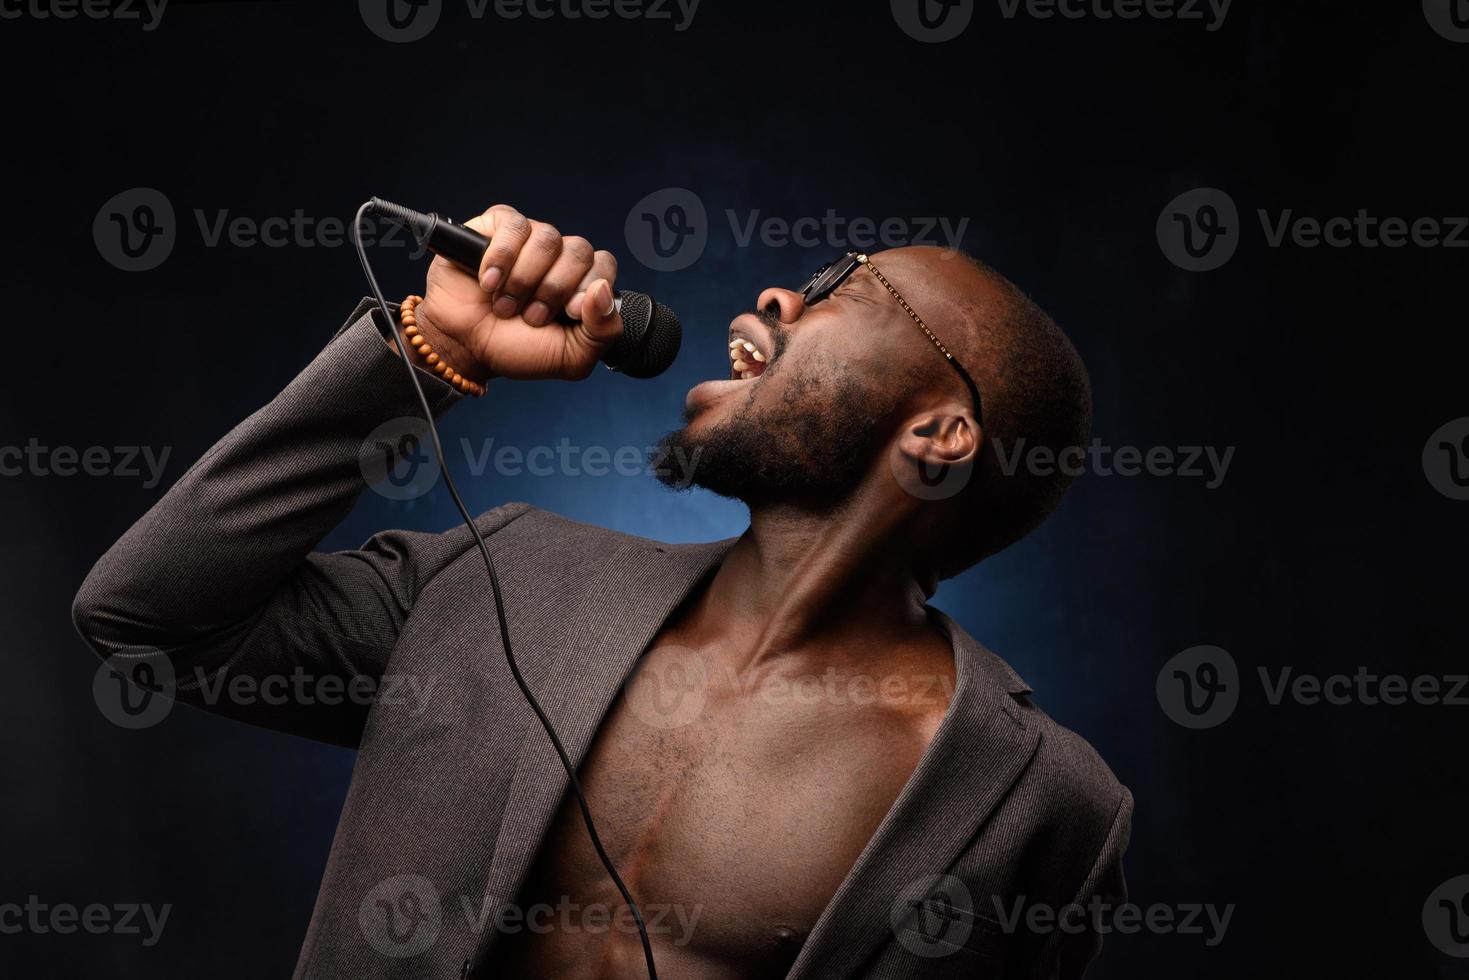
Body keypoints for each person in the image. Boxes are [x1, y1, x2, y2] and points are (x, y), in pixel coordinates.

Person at [73, 203, 1131, 979]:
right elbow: (150, 616)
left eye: (846, 285)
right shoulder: (502, 576)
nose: (777, 295)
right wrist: (431, 352)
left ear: (938, 435)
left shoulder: (1037, 804)